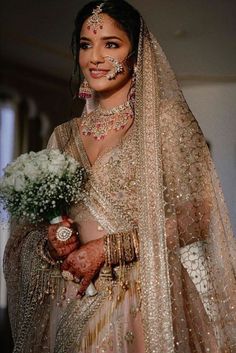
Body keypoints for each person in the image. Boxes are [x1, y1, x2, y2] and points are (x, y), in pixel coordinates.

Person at [3, 1, 236, 352]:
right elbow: (28, 232)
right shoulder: (63, 137)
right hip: (71, 298)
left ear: (136, 54)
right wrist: (50, 243)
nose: (95, 57)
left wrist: (112, 248)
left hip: (142, 297)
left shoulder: (164, 123)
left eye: (111, 44)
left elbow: (200, 216)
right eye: (86, 45)